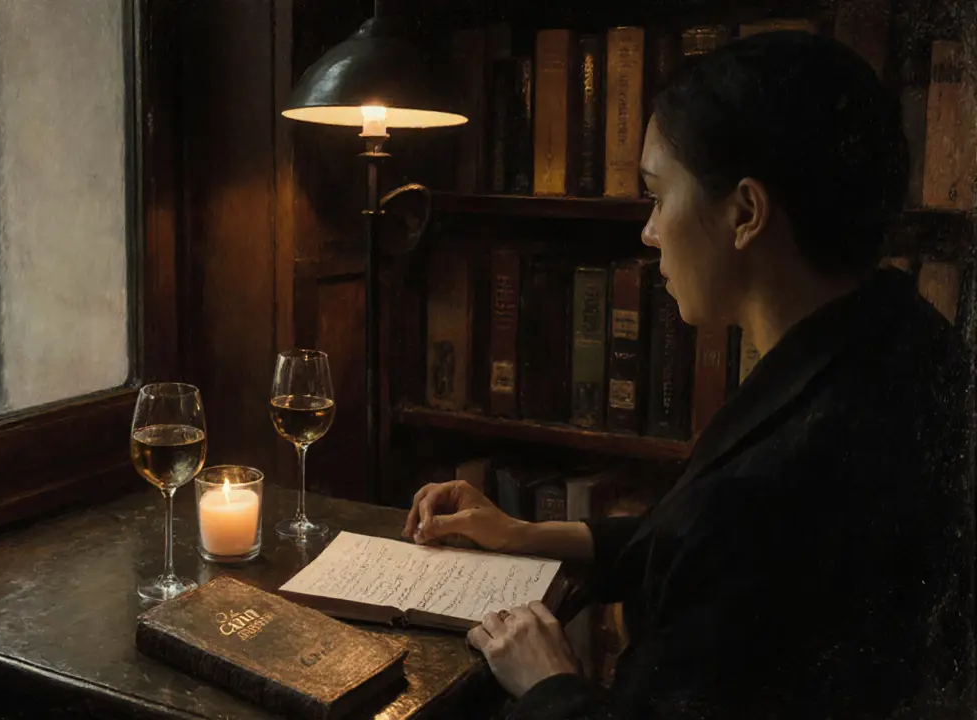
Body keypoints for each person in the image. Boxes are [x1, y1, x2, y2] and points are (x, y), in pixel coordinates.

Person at [405, 31, 973, 719]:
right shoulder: (897, 331)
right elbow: (695, 539)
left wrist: (551, 683)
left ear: (745, 213)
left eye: (656, 195)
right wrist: (524, 534)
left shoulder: (773, 488)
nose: (648, 232)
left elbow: (729, 539)